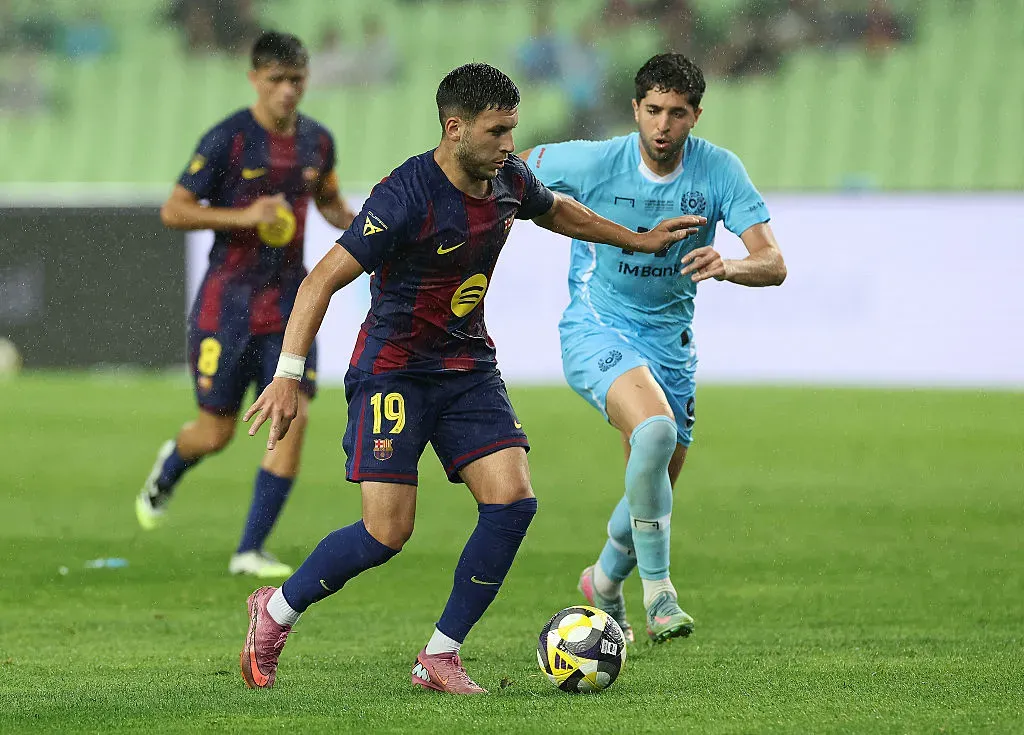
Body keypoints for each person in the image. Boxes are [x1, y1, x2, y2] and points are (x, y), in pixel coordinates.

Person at [238, 62, 706, 694]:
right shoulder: (406, 195)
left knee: (513, 502)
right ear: (455, 129)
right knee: (387, 532)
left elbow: (560, 211)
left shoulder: (508, 177)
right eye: (496, 131)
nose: (510, 144)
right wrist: (289, 374)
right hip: (395, 373)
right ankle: (274, 612)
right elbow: (320, 279)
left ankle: (440, 655)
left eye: (513, 129)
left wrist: (639, 241)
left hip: (466, 368)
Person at [520, 53, 786, 644]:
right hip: (597, 325)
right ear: (635, 109)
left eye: (678, 113)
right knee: (656, 434)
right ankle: (660, 594)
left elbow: (774, 263)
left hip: (671, 343)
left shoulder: (718, 171)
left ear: (695, 115)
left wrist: (730, 265)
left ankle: (604, 583)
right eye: (653, 111)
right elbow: (506, 167)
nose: (663, 126)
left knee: (654, 479)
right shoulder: (595, 160)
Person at [135, 31, 356, 578]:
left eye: (296, 80)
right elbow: (174, 211)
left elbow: (329, 202)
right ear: (254, 78)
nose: (287, 91)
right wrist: (244, 217)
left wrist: (374, 233)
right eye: (277, 79)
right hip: (226, 305)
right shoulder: (228, 140)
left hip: (289, 306)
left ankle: (249, 550)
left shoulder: (317, 142)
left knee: (295, 415)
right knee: (216, 432)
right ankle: (170, 467)